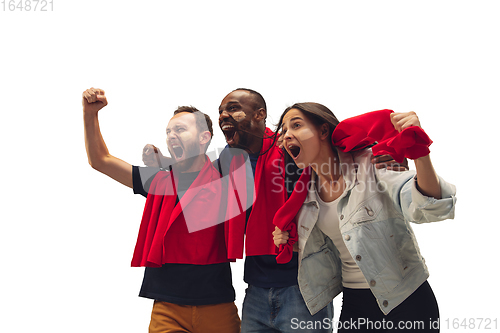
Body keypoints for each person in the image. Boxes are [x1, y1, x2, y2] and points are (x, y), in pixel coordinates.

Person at [143, 89, 408, 333]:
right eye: (221, 110)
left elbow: (336, 153)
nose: (224, 115)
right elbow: (201, 174)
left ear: (260, 115)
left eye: (233, 109)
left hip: (303, 288)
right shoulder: (229, 160)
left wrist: (382, 153)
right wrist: (165, 161)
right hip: (256, 289)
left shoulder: (291, 149)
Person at [272, 103, 457, 332]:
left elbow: (431, 206)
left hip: (406, 299)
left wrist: (420, 153)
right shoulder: (304, 195)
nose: (287, 134)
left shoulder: (371, 163)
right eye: (283, 131)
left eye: (296, 125)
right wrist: (289, 240)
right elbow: (333, 246)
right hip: (355, 305)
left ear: (323, 131)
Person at [82, 87, 240, 333]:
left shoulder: (223, 176)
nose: (171, 135)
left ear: (204, 138)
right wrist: (90, 114)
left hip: (218, 306)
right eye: (168, 131)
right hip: (167, 309)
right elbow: (100, 160)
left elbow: (247, 142)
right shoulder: (157, 181)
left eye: (180, 129)